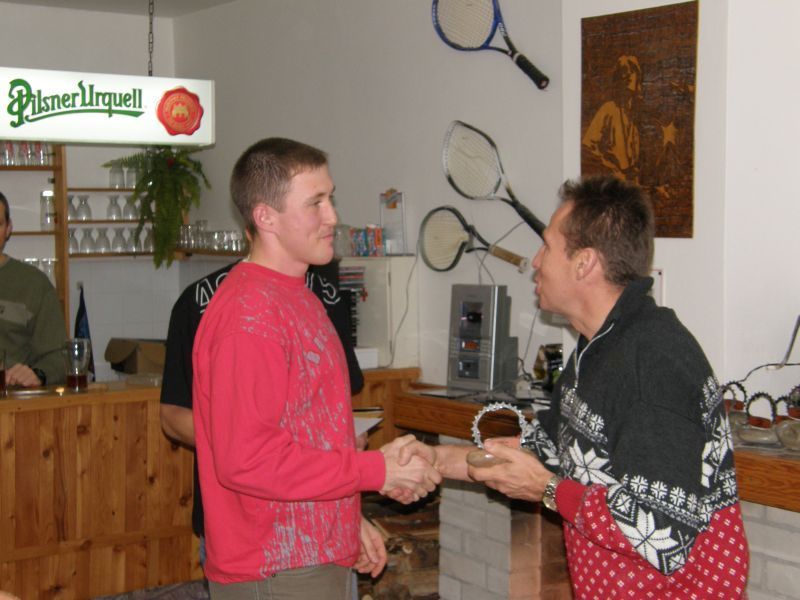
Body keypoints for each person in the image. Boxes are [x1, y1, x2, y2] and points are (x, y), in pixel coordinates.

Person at [404, 176, 749, 598]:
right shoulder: (597, 347)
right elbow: (548, 452)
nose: (535, 261)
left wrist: (547, 490)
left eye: (547, 246)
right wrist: (435, 460)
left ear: (584, 263)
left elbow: (664, 532)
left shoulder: (654, 359)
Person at [192, 137, 440, 598]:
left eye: (331, 199)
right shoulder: (249, 317)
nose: (332, 217)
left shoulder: (300, 295)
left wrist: (348, 518)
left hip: (316, 550)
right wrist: (375, 471)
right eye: (316, 203)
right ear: (266, 216)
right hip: (274, 567)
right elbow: (247, 462)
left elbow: (309, 434)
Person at [160, 257, 366, 562]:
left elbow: (334, 404)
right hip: (247, 531)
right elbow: (172, 416)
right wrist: (250, 446)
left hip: (326, 517)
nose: (330, 229)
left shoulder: (325, 296)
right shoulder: (204, 299)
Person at [0, 191, 66, 387]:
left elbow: (59, 356)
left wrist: (38, 374)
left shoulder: (34, 284)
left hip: (13, 400)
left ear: (8, 229)